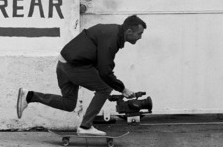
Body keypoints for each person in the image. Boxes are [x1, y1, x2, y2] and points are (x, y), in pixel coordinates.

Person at [16, 15, 146, 136]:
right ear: (129, 31)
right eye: (139, 33)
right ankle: (85, 126)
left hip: (63, 64)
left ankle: (30, 96)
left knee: (68, 104)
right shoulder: (111, 38)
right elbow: (105, 71)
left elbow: (102, 65)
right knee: (105, 88)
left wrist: (109, 85)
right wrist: (122, 89)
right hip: (73, 67)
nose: (140, 37)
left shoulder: (111, 33)